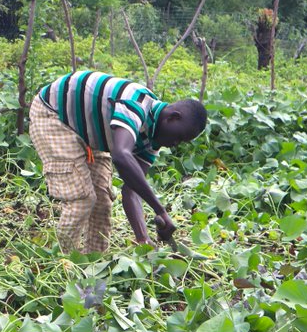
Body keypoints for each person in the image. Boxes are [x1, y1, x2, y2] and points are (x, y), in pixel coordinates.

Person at [29, 70, 207, 253]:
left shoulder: (153, 139)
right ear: (173, 117)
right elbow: (121, 155)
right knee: (82, 199)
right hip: (54, 115)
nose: (175, 144)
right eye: (179, 137)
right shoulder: (136, 104)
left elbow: (131, 191)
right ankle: (64, 262)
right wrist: (160, 209)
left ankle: (93, 260)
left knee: (102, 201)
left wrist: (142, 237)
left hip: (89, 132)